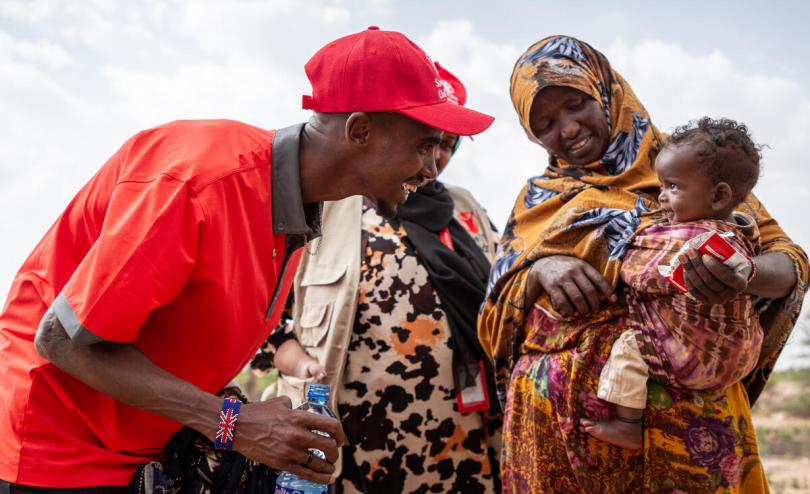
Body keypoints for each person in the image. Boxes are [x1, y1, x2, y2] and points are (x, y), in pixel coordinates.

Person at [0, 27, 494, 493]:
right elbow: (63, 338)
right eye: (425, 145)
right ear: (360, 130)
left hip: (143, 451)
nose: (433, 167)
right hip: (56, 452)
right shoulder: (200, 181)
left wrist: (240, 406)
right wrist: (231, 424)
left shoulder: (298, 211)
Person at [478, 35, 808, 493]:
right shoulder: (537, 201)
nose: (568, 128)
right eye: (545, 123)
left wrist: (742, 275)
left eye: (576, 104)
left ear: (607, 90)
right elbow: (494, 313)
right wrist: (540, 270)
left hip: (685, 429)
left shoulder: (692, 167)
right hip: (552, 430)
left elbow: (790, 262)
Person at [251, 63, 503, 493]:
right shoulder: (326, 207)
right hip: (358, 453)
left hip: (463, 446)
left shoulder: (465, 210)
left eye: (448, 146)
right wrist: (302, 365)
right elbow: (262, 325)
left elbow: (506, 291)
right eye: (427, 142)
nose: (436, 159)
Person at [581, 117, 764, 449]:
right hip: (741, 354)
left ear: (719, 195)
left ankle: (626, 423)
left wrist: (623, 254)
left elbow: (639, 274)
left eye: (672, 187)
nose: (661, 197)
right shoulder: (740, 233)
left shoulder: (677, 238)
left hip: (691, 356)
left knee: (627, 348)